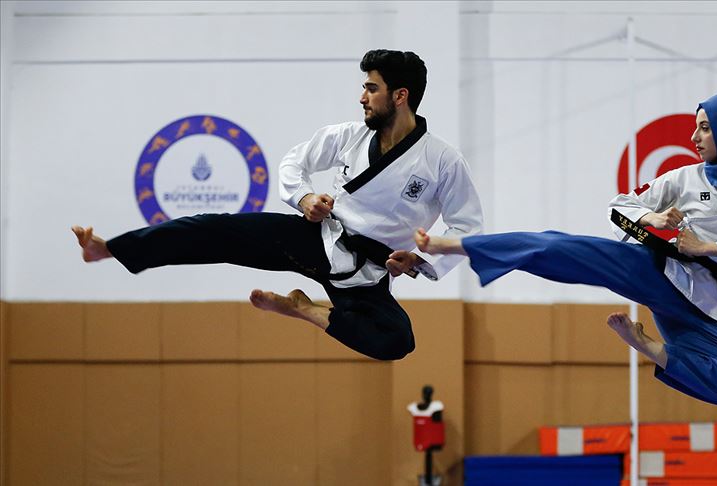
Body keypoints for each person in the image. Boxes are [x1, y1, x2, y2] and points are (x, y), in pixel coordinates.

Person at [72, 49, 483, 361]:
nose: (362, 97)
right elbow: (294, 162)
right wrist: (305, 198)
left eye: (371, 88)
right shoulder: (348, 136)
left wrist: (418, 262)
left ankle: (307, 311)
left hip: (367, 272)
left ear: (400, 96)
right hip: (315, 238)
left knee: (397, 340)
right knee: (213, 230)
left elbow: (468, 228)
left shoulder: (441, 161)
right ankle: (110, 249)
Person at [415, 90, 717, 410]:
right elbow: (620, 205)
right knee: (562, 246)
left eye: (704, 128)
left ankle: (646, 344)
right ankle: (457, 244)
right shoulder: (684, 177)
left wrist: (706, 246)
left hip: (702, 307)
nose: (694, 138)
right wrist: (653, 219)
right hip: (660, 274)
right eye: (695, 128)